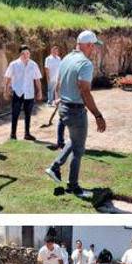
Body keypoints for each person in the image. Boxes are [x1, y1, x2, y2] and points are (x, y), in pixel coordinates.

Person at [45, 31, 107, 198]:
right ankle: (73, 186)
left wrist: (58, 99)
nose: (94, 49)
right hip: (76, 110)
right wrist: (98, 115)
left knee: (74, 140)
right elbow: (84, 90)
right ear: (89, 45)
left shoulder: (66, 58)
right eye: (94, 46)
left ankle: (55, 167)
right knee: (78, 149)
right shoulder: (85, 64)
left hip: (64, 108)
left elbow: (58, 83)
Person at [4, 45, 42, 141]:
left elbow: (37, 79)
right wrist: (6, 90)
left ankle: (27, 134)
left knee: (28, 114)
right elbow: (8, 77)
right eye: (24, 53)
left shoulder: (33, 65)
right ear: (20, 54)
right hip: (18, 92)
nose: (26, 55)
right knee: (15, 114)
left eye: (28, 53)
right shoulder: (14, 64)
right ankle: (13, 134)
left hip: (29, 93)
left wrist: (39, 91)